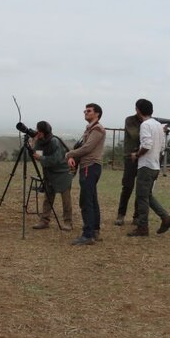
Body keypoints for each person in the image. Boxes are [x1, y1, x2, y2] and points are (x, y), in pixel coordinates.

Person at [127, 99, 170, 237]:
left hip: (146, 165)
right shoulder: (159, 126)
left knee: (142, 197)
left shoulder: (145, 125)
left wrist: (136, 154)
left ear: (137, 110)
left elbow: (147, 145)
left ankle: (143, 227)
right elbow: (160, 147)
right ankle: (166, 218)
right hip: (155, 165)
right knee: (147, 195)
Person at [65, 103, 106, 246]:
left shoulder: (97, 129)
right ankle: (94, 231)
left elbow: (87, 148)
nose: (85, 113)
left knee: (86, 201)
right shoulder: (90, 129)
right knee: (92, 199)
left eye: (89, 111)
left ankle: (88, 234)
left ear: (97, 114)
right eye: (85, 110)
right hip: (90, 166)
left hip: (90, 166)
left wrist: (69, 154)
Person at [31, 121, 73, 231]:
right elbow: (38, 155)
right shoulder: (40, 142)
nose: (38, 133)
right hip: (49, 172)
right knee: (48, 197)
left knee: (66, 198)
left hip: (63, 172)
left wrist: (41, 158)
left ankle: (68, 222)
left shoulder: (54, 141)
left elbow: (56, 159)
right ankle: (44, 220)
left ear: (45, 132)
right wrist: (34, 145)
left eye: (40, 131)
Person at [114, 109, 142, 226]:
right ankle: (121, 215)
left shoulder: (149, 122)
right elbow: (135, 134)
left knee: (141, 189)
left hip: (143, 157)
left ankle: (137, 216)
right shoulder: (130, 120)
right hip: (130, 156)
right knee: (127, 187)